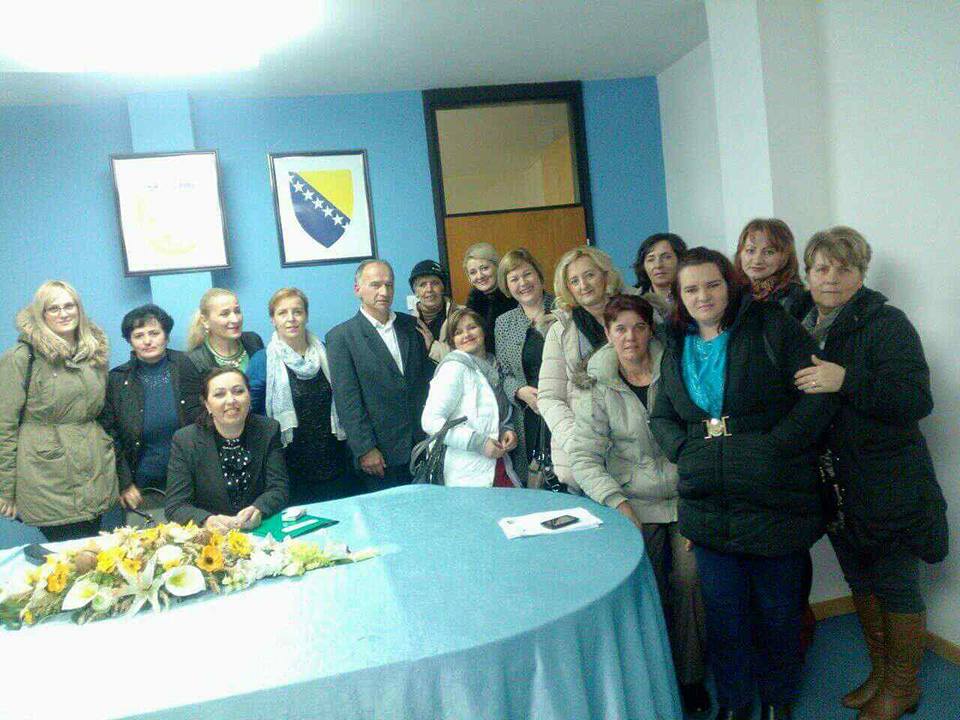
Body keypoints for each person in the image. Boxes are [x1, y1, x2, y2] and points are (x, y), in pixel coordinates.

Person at [649, 248, 836, 720]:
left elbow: (818, 394)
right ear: (679, 297)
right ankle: (734, 701)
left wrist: (777, 448)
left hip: (775, 494)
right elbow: (662, 415)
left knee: (778, 613)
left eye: (712, 284)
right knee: (724, 616)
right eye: (691, 289)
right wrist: (683, 451)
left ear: (730, 285)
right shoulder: (674, 343)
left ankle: (777, 699)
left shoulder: (771, 325)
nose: (703, 296)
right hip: (708, 503)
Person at [794, 227, 947, 720]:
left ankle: (903, 686)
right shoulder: (802, 324)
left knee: (896, 584)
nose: (831, 278)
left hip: (888, 483)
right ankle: (881, 674)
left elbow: (915, 400)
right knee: (860, 581)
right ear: (807, 274)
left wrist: (846, 379)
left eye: (844, 268)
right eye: (822, 268)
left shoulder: (887, 323)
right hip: (836, 485)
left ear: (861, 274)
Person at [570, 293, 709, 716]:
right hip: (633, 503)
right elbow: (584, 459)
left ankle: (691, 678)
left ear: (651, 330)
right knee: (645, 585)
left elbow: (703, 437)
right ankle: (653, 675)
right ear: (608, 333)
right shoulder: (596, 385)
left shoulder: (679, 370)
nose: (630, 337)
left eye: (638, 327)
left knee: (690, 579)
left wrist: (698, 502)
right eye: (620, 329)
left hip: (685, 498)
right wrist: (619, 505)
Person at [0, 280, 117, 541]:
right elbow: (4, 427)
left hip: (94, 470)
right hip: (47, 477)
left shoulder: (94, 354)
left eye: (69, 306)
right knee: (69, 556)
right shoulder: (21, 357)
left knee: (96, 554)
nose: (64, 313)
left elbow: (102, 414)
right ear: (41, 315)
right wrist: (5, 491)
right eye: (54, 308)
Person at [326, 260, 433, 490]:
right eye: (375, 285)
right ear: (358, 289)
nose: (384, 292)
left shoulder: (412, 325)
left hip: (422, 444)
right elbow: (347, 401)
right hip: (380, 454)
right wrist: (365, 449)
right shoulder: (341, 337)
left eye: (389, 285)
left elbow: (423, 383)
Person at [99, 304, 201, 525]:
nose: (147, 341)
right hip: (144, 489)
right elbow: (110, 436)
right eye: (139, 335)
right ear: (130, 341)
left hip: (194, 481)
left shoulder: (187, 365)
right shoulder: (117, 380)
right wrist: (125, 483)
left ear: (166, 336)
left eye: (154, 333)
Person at [539, 246, 629, 493]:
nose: (583, 285)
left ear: (605, 276)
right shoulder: (561, 330)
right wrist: (577, 443)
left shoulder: (633, 317)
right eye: (574, 281)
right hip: (582, 453)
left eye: (590, 275)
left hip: (634, 451)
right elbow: (549, 397)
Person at [248, 288, 350, 504]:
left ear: (306, 316)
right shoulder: (263, 360)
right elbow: (250, 412)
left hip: (335, 458)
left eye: (297, 311)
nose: (291, 318)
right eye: (282, 313)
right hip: (287, 464)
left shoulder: (327, 352)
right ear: (273, 320)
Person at [165, 367, 288, 531]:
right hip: (210, 537)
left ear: (249, 397)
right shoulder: (186, 440)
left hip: (261, 531)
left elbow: (279, 489)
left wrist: (259, 508)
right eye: (219, 394)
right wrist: (207, 520)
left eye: (238, 391)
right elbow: (176, 505)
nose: (231, 400)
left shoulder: (268, 429)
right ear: (207, 404)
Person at [421, 308, 521, 487]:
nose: (466, 335)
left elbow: (494, 414)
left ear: (483, 330)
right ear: (452, 341)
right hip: (464, 475)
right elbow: (430, 421)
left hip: (499, 466)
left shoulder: (495, 367)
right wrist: (478, 443)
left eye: (472, 327)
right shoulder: (453, 368)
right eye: (458, 332)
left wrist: (506, 430)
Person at [494, 248, 555, 487]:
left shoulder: (564, 309)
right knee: (534, 481)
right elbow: (502, 372)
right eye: (514, 279)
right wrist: (519, 391)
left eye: (527, 274)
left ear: (539, 275)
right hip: (528, 414)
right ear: (507, 286)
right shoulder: (504, 323)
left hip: (565, 408)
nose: (523, 283)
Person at [734, 218, 812, 321]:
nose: (757, 260)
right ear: (740, 253)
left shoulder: (797, 298)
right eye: (750, 251)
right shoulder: (731, 292)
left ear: (785, 257)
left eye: (768, 252)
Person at [186, 288, 264, 374]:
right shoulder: (194, 361)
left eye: (237, 311)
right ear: (205, 321)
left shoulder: (253, 340)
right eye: (224, 314)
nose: (235, 320)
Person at [463, 242, 518, 355]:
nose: (479, 276)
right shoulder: (470, 308)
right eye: (473, 272)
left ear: (497, 267)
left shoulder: (516, 297)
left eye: (484, 268)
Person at [409, 259, 458, 362]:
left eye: (435, 283)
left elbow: (469, 358)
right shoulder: (408, 323)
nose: (429, 289)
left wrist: (432, 346)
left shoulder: (463, 316)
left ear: (443, 288)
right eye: (422, 285)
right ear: (415, 292)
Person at [633, 232, 688, 323]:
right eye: (651, 259)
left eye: (666, 257)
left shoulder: (692, 296)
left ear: (681, 260)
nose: (658, 265)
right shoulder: (634, 303)